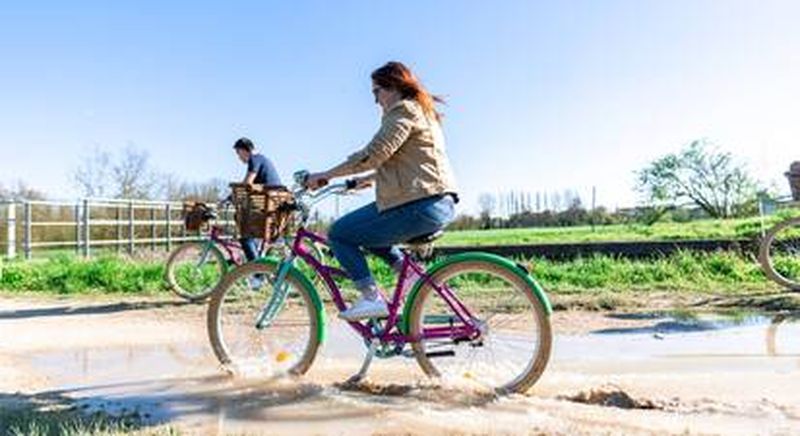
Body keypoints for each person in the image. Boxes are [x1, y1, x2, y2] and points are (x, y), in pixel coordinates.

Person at [305, 61, 458, 320]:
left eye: (377, 92)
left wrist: (325, 175)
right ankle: (410, 276)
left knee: (339, 233)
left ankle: (370, 298)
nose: (375, 100)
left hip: (421, 204)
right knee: (367, 233)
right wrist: (361, 181)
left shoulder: (404, 111)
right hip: (431, 201)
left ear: (394, 87)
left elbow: (374, 154)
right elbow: (400, 163)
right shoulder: (420, 112)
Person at [232, 137, 283, 262]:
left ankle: (255, 269)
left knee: (244, 233)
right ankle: (256, 257)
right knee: (251, 231)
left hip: (268, 203)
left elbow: (247, 183)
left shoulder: (254, 159)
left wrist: (231, 196)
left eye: (238, 153)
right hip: (274, 203)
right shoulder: (263, 159)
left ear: (244, 150)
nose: (239, 157)